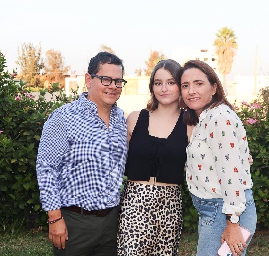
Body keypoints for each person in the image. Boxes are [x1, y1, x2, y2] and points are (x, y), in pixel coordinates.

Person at [36, 51, 128, 256]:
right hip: (75, 223)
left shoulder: (121, 119)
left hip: (113, 222)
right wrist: (54, 217)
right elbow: (46, 168)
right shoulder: (64, 117)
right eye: (106, 79)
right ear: (89, 80)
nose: (113, 86)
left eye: (118, 81)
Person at [179, 60, 257, 256]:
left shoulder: (219, 117)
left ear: (214, 88)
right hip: (215, 209)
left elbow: (230, 173)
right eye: (185, 86)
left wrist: (232, 223)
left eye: (199, 83)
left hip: (225, 211)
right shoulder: (205, 118)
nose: (191, 91)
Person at [117, 59, 192, 256]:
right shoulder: (134, 118)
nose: (164, 88)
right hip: (134, 205)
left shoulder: (191, 125)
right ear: (152, 87)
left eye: (171, 82)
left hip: (170, 207)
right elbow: (114, 158)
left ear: (180, 86)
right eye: (158, 83)